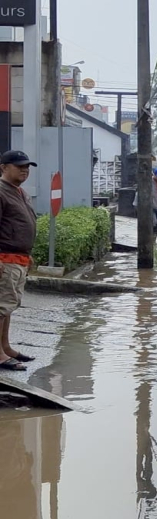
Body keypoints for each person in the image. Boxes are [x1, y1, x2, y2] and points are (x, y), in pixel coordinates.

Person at [0, 150, 39, 371]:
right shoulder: (1, 191)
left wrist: (27, 253)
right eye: (19, 166)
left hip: (19, 258)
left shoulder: (20, 192)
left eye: (27, 167)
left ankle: (5, 347)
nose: (25, 170)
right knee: (1, 305)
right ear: (4, 167)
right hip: (5, 258)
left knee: (9, 306)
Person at [134, 167, 157, 238]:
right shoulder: (147, 182)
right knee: (153, 222)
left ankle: (154, 238)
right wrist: (136, 205)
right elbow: (138, 194)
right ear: (154, 175)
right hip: (149, 207)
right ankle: (150, 238)